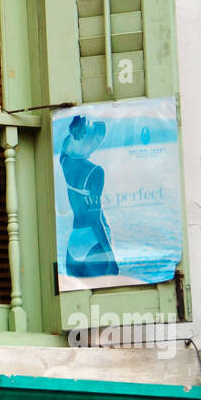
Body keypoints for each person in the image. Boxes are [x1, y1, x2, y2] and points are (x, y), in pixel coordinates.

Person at [59, 115, 118, 278]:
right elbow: (95, 219)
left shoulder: (64, 161)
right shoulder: (95, 172)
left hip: (74, 240)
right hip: (95, 240)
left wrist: (74, 132)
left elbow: (66, 146)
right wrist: (111, 258)